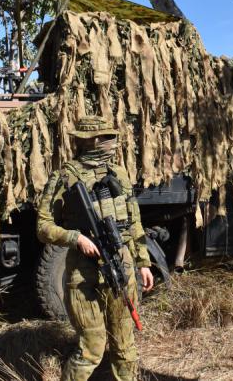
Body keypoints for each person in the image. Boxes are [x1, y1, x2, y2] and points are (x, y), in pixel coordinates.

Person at [37, 116, 154, 381]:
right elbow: (43, 226)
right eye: (106, 138)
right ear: (90, 141)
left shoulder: (119, 174)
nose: (112, 143)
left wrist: (143, 262)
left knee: (125, 346)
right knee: (92, 347)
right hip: (83, 273)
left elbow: (134, 222)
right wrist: (76, 238)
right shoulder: (65, 177)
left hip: (120, 266)